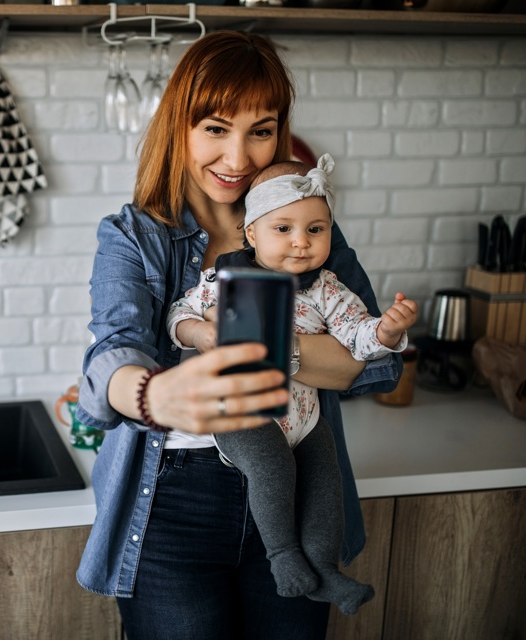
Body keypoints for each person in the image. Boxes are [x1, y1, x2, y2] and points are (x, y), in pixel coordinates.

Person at [74, 30, 403, 640]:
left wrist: (254, 344)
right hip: (175, 505)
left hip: (301, 492)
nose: (238, 158)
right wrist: (151, 395)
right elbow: (112, 353)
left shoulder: (305, 227)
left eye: (262, 130)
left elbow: (368, 363)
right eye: (216, 128)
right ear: (181, 127)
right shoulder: (135, 237)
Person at [166, 153, 418, 616]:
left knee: (326, 482)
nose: (301, 243)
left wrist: (387, 331)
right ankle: (283, 556)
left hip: (306, 418)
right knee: (273, 469)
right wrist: (200, 333)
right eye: (283, 229)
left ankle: (326, 572)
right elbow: (178, 314)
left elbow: (359, 338)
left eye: (315, 230)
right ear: (252, 234)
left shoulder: (328, 289)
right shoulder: (226, 281)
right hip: (243, 411)